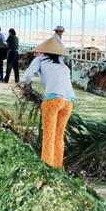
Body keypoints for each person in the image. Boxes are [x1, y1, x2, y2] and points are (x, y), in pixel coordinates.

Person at [22, 37, 75, 168]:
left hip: (52, 100)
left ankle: (46, 167)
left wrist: (27, 87)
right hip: (68, 101)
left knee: (49, 135)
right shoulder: (63, 65)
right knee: (59, 135)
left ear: (42, 51)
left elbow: (28, 75)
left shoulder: (40, 60)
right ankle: (57, 167)